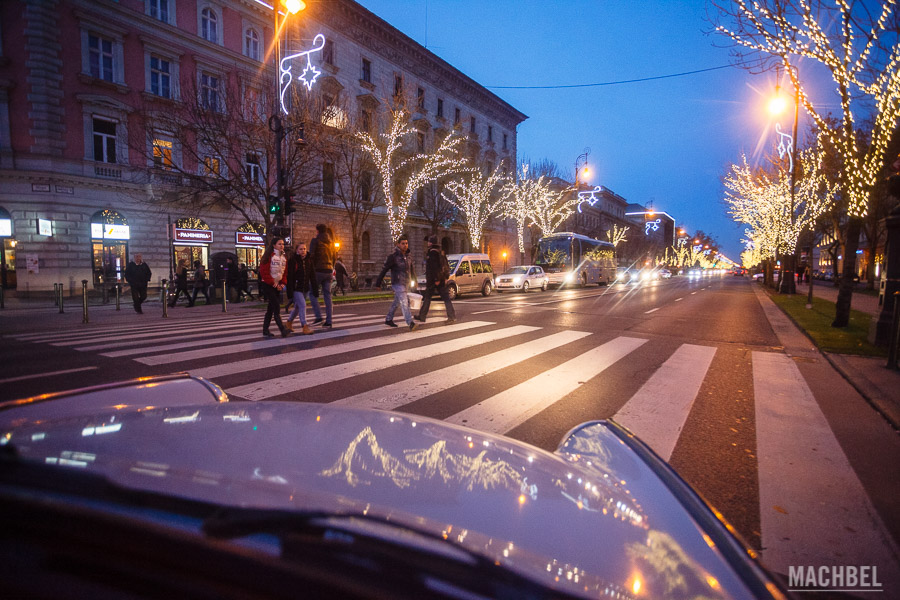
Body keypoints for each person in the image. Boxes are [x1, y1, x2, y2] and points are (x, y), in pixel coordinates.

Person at [376, 233, 419, 331]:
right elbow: (384, 270)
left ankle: (388, 319)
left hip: (406, 282)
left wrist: (415, 280)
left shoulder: (408, 256)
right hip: (397, 283)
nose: (405, 245)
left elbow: (412, 269)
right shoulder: (393, 257)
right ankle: (410, 323)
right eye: (403, 243)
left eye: (406, 243)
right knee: (405, 302)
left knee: (397, 302)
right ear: (398, 244)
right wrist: (378, 283)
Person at [416, 235, 456, 325]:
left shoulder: (432, 253)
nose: (428, 243)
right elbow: (445, 265)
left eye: (429, 242)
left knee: (430, 297)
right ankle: (422, 315)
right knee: (435, 297)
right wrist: (445, 277)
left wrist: (436, 279)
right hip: (440, 278)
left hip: (435, 279)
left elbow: (434, 267)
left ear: (432, 243)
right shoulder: (441, 252)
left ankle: (451, 317)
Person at [258, 236, 289, 338]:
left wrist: (282, 284)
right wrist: (275, 284)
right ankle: (282, 329)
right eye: (279, 244)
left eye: (283, 244)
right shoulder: (268, 256)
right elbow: (264, 273)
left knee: (270, 309)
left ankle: (265, 330)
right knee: (276, 306)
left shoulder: (284, 257)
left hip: (277, 285)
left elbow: (285, 273)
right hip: (268, 285)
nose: (282, 246)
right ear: (274, 245)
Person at [286, 242, 316, 335]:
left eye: (304, 249)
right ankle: (304, 326)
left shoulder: (309, 260)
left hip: (305, 288)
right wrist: (290, 291)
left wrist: (315, 288)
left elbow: (312, 275)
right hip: (296, 288)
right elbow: (289, 276)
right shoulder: (293, 261)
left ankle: (289, 322)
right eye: (301, 249)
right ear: (297, 251)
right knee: (302, 305)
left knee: (297, 308)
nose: (303, 251)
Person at [309, 223, 336, 328]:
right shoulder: (331, 243)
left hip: (318, 270)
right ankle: (329, 320)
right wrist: (331, 268)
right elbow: (334, 258)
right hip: (329, 271)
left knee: (312, 293)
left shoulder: (315, 241)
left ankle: (318, 316)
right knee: (327, 296)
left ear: (317, 231)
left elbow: (311, 256)